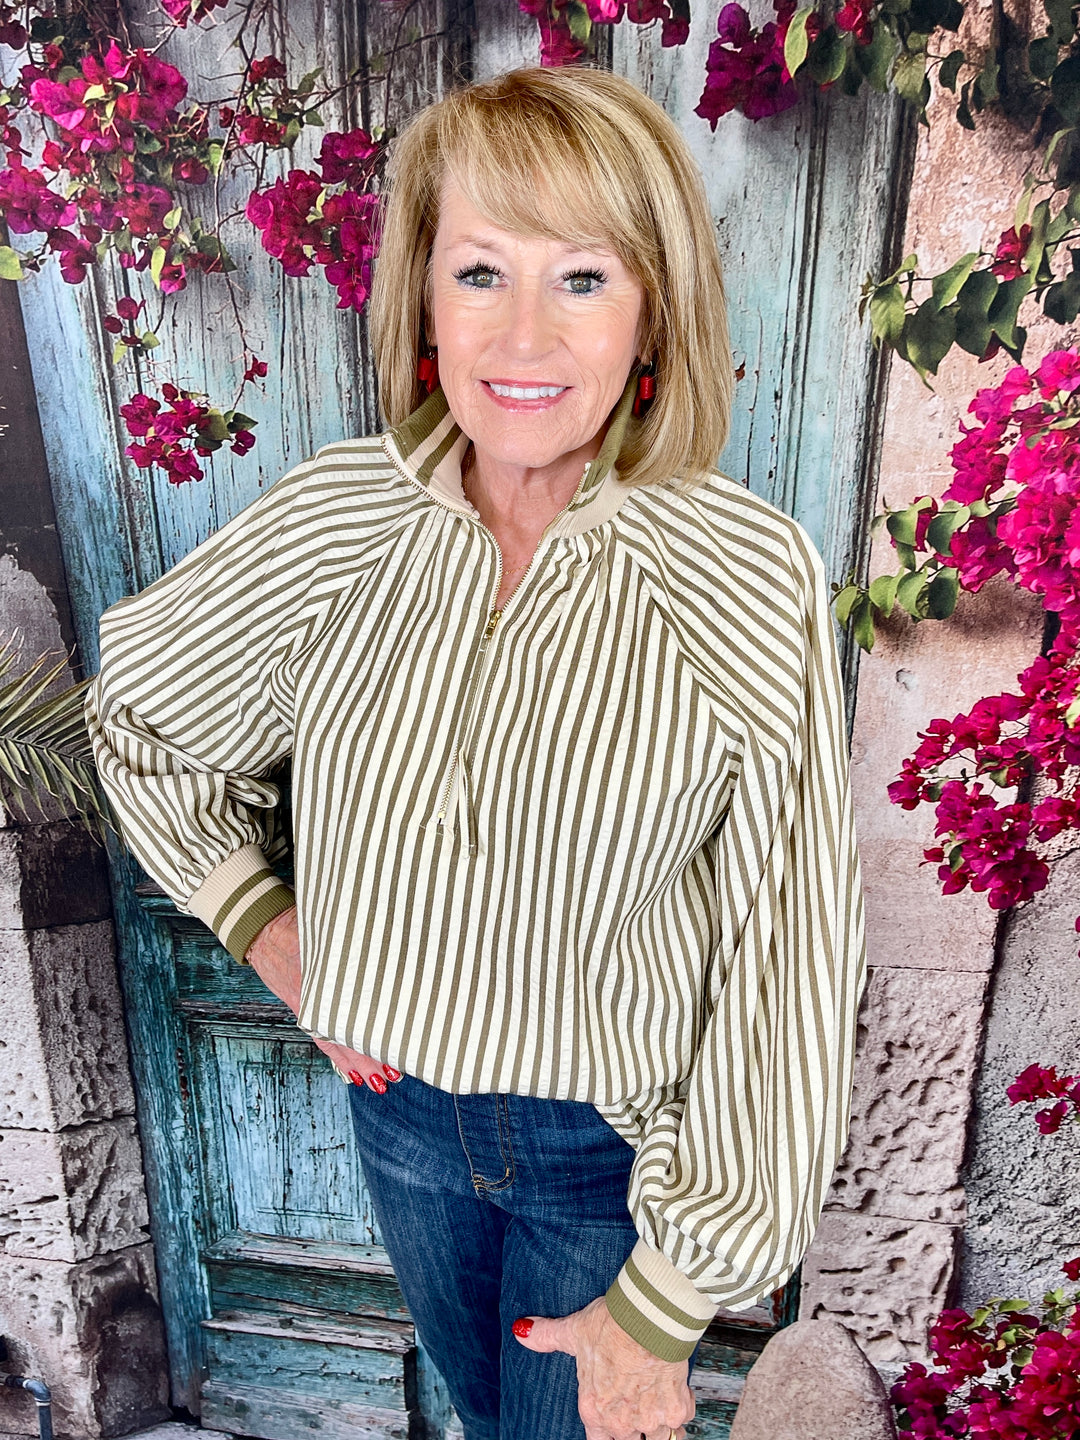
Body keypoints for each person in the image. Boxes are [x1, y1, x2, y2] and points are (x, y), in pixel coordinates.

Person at [86, 64, 867, 1440]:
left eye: (583, 279)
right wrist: (270, 927)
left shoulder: (742, 573)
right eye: (480, 272)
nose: (524, 334)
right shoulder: (339, 524)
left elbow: (785, 942)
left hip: (608, 1153)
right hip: (401, 1121)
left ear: (654, 314)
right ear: (426, 302)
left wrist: (670, 1300)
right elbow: (144, 717)